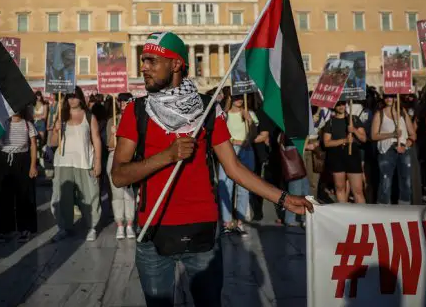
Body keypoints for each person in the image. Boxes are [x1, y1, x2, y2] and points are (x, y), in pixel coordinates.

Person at [111, 32, 313, 307]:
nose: (143, 66)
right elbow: (119, 175)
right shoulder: (136, 111)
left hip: (202, 235)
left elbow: (234, 168)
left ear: (177, 64)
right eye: (143, 60)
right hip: (153, 233)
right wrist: (166, 156)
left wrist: (284, 199)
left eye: (151, 60)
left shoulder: (208, 110)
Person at [50, 87, 102, 243]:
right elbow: (52, 143)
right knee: (62, 197)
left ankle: (92, 227)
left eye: (75, 96)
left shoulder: (89, 116)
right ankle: (63, 227)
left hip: (84, 162)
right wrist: (55, 131)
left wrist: (98, 162)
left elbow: (97, 139)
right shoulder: (61, 116)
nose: (72, 100)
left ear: (81, 98)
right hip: (63, 162)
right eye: (69, 97)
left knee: (90, 195)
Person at [0, 108, 39, 243]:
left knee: (24, 195)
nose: (15, 110)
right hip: (3, 159)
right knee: (3, 196)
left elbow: (33, 145)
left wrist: (33, 165)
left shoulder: (28, 124)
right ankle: (4, 229)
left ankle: (25, 229)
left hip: (22, 159)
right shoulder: (2, 123)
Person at [220, 94, 258, 235]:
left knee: (244, 186)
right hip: (228, 151)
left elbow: (253, 134)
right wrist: (233, 141)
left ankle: (240, 221)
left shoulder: (249, 113)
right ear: (230, 98)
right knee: (225, 186)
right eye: (236, 96)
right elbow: (220, 132)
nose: (239, 100)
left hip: (245, 150)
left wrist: (250, 121)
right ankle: (227, 222)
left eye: (242, 97)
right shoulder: (225, 115)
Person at [371, 94, 416, 205]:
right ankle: (383, 208)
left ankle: (404, 208)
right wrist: (392, 134)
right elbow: (373, 136)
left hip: (403, 150)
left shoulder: (402, 112)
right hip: (387, 150)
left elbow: (413, 135)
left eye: (391, 96)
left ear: (396, 98)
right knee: (385, 181)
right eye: (386, 96)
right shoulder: (379, 114)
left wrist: (405, 146)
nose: (389, 99)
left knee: (406, 181)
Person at [323, 101, 367, 203]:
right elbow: (327, 143)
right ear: (334, 106)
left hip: (353, 157)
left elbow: (364, 138)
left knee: (358, 191)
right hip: (337, 157)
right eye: (338, 104)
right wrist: (344, 140)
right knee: (340, 188)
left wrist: (354, 130)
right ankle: (343, 214)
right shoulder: (330, 122)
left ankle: (364, 216)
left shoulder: (354, 119)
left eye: (343, 104)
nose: (341, 106)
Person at [106, 93, 136, 240]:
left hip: (131, 159)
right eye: (121, 102)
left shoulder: (136, 119)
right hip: (114, 158)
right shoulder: (113, 119)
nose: (123, 104)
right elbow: (110, 146)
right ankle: (120, 224)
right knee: (117, 194)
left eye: (126, 102)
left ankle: (130, 223)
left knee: (129, 195)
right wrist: (113, 134)